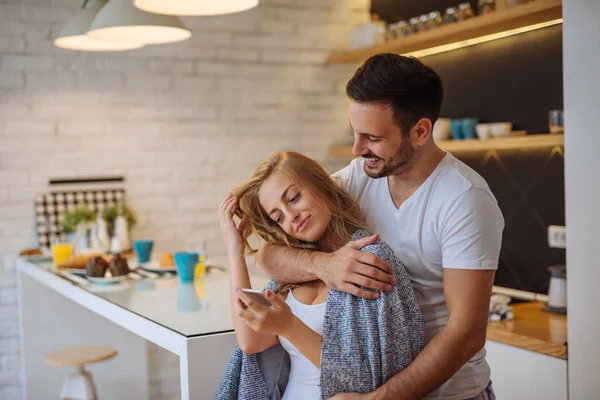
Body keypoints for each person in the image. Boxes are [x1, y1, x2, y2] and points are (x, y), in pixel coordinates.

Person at [256, 54, 505, 400]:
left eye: (372, 137)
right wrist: (324, 265)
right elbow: (269, 256)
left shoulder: (464, 199)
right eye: (354, 134)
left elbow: (466, 333)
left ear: (420, 131)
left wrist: (380, 399)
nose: (358, 149)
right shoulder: (358, 178)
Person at [216, 151, 424, 400]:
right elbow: (251, 342)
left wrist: (290, 327)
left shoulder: (368, 261)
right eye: (278, 216)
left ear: (320, 184)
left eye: (293, 198)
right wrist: (235, 252)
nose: (291, 216)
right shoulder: (293, 272)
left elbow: (365, 380)